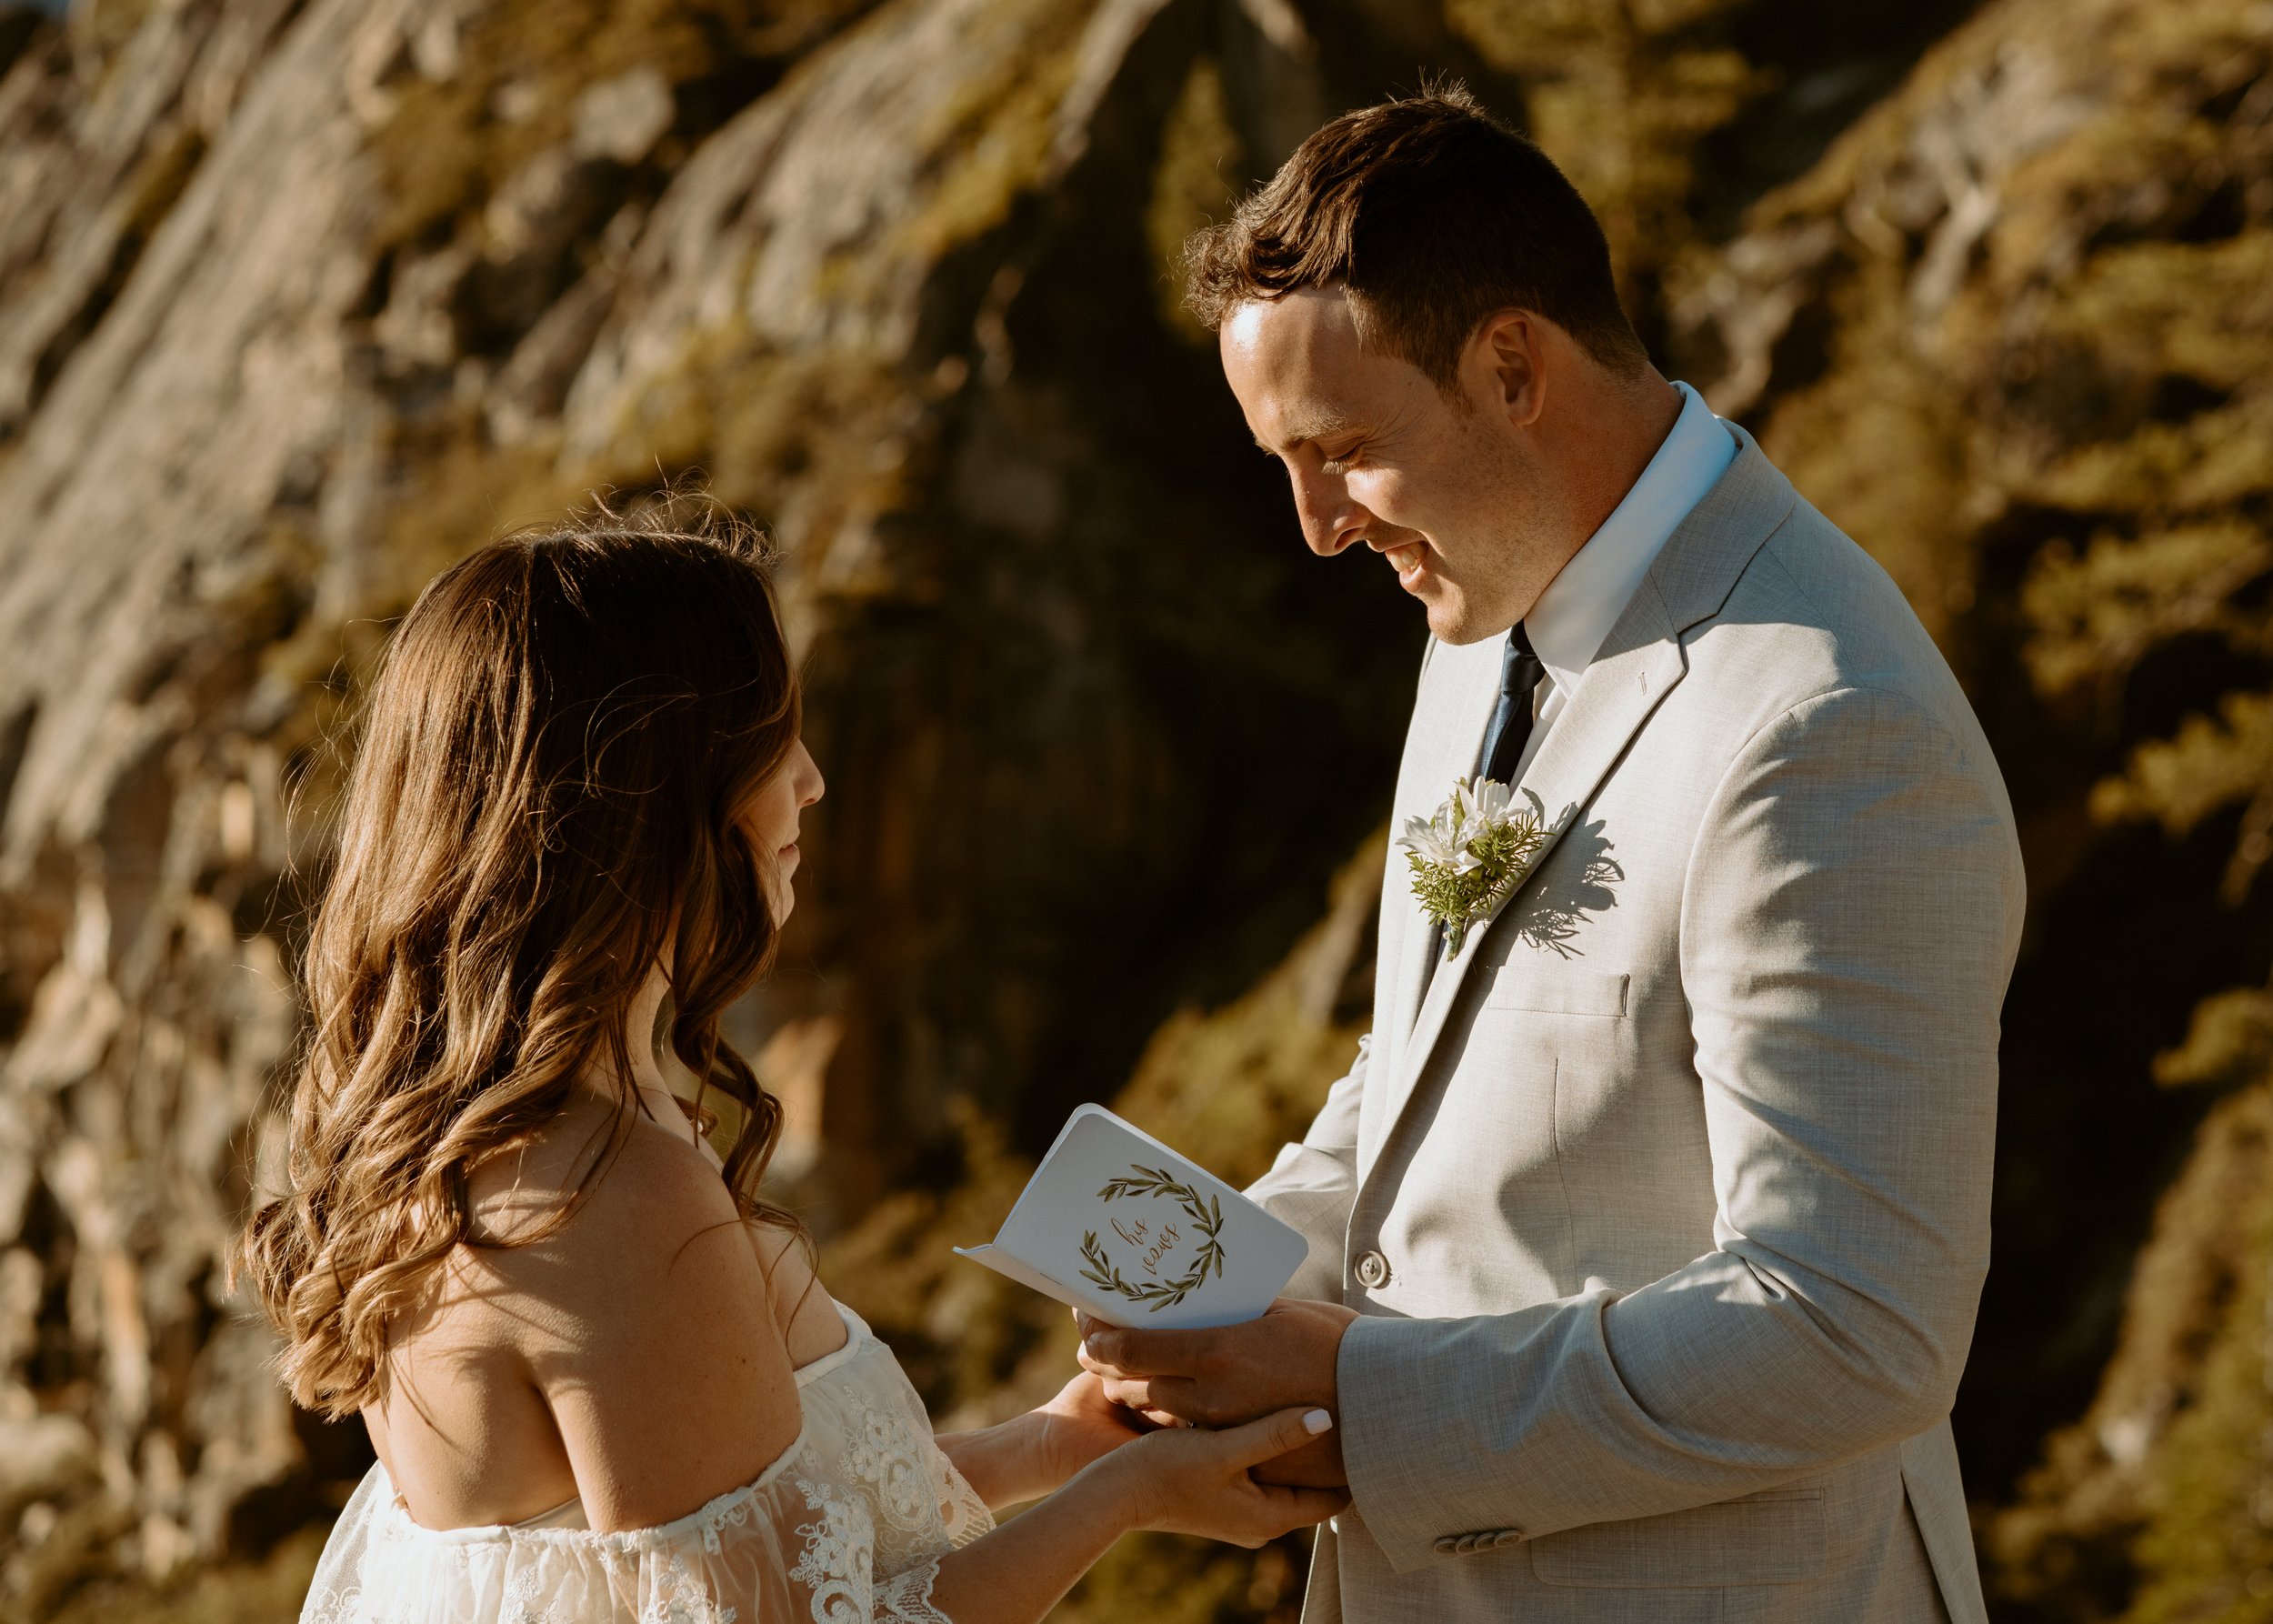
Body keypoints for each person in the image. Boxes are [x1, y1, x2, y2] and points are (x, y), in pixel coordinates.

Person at [1078, 86, 2026, 1622]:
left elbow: (1851, 1326)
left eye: (1344, 449)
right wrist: (1231, 1288)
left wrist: (1370, 1399)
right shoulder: (1485, 600)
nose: (1316, 525)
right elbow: (1435, 1062)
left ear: (1513, 367)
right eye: (1283, 461)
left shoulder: (1826, 728)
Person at [240, 498, 1346, 1624]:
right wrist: (1131, 1494)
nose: (811, 780)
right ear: (650, 790)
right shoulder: (608, 1198)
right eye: (772, 737)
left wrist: (1046, 1449)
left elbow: (751, 1531)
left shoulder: (485, 1139)